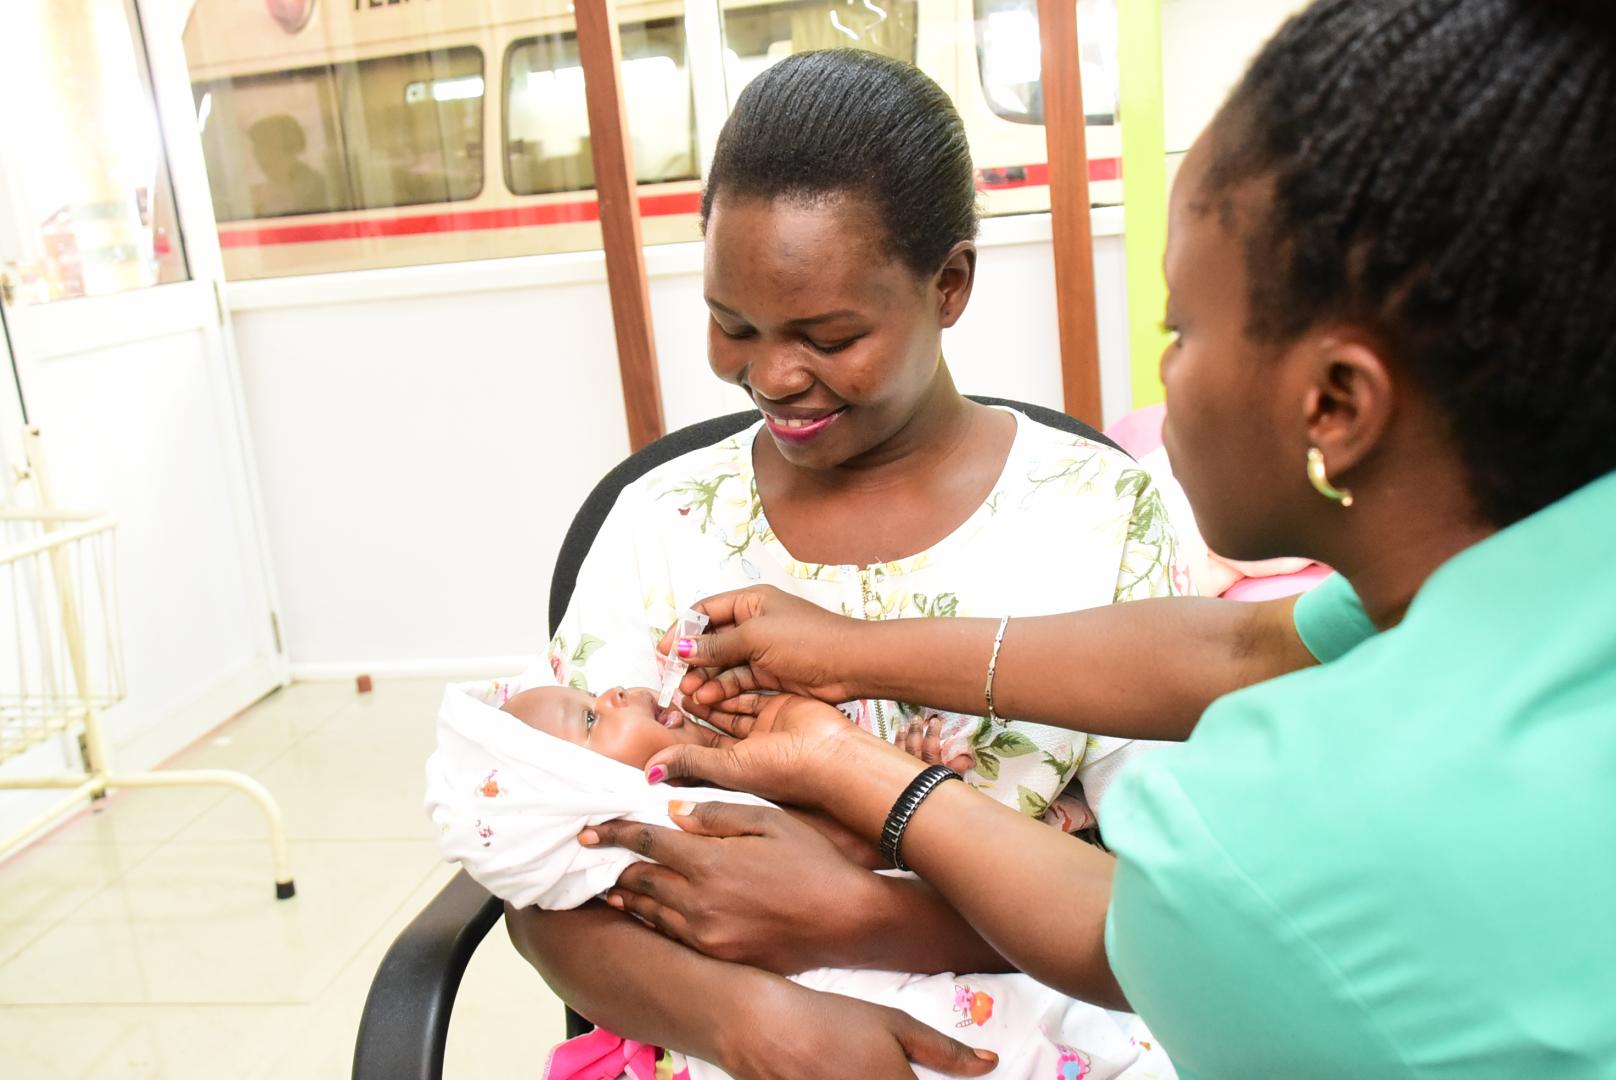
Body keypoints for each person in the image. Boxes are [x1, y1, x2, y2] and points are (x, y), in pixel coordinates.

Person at [587, 1, 1616, 1076]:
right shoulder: (1528, 575)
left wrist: (846, 804)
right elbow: (1230, 649)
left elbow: (1124, 927)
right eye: (735, 323)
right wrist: (849, 656)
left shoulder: (1270, 838)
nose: (1160, 376)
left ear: (1334, 406)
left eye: (1179, 328)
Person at [504, 48, 1184, 1080]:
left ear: (946, 284)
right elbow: (535, 881)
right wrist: (750, 1026)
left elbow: (1173, 911)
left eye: (828, 334)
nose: (772, 375)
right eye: (732, 325)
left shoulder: (1100, 516)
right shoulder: (664, 523)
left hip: (1047, 1035)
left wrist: (853, 920)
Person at [427, 682, 1173, 1080]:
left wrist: (898, 785)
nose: (619, 691)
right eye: (592, 717)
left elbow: (866, 853)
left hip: (1048, 941)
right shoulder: (664, 830)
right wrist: (751, 1017)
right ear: (583, 804)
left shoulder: (713, 800)